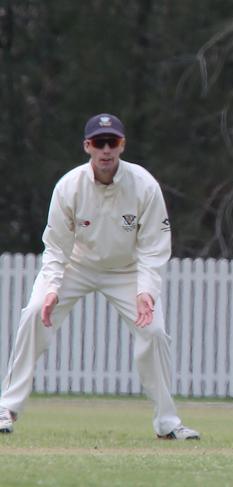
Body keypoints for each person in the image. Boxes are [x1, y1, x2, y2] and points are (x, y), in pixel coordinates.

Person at [0, 113, 199, 440]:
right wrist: (51, 288)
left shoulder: (144, 185)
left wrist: (146, 291)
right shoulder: (69, 186)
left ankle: (167, 422)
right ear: (87, 147)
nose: (106, 150)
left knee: (155, 332)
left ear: (122, 145)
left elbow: (154, 246)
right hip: (75, 267)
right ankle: (7, 407)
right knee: (35, 312)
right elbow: (55, 248)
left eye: (112, 143)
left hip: (128, 271)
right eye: (98, 143)